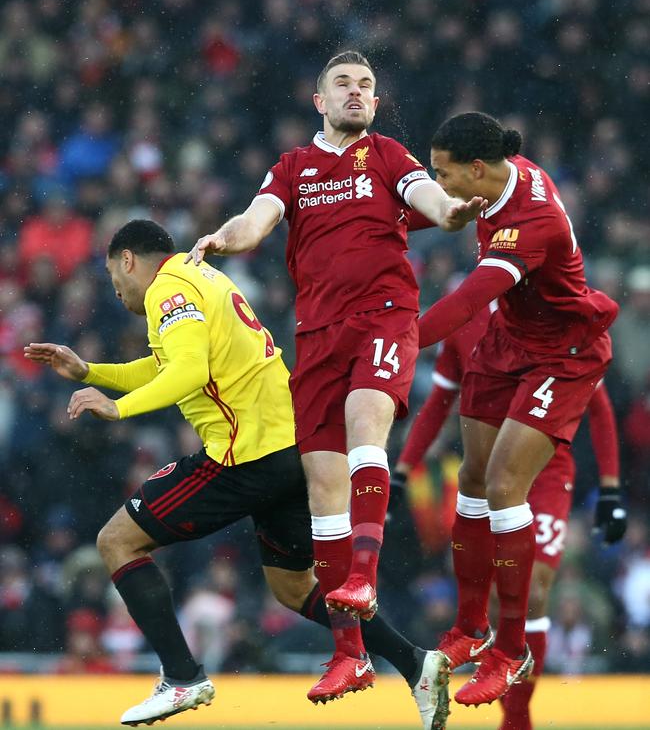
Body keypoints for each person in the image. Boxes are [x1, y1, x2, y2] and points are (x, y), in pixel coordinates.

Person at [25, 218, 452, 730]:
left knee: (116, 541)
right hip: (290, 449)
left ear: (128, 259)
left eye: (114, 276)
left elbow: (188, 373)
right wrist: (91, 372)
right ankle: (415, 664)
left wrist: (118, 409)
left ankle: (182, 676)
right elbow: (170, 365)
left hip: (242, 456)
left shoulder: (167, 291)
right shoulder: (199, 275)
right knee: (293, 589)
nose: (115, 291)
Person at [185, 51, 485, 702]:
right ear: (319, 100)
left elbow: (429, 197)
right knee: (321, 481)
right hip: (316, 336)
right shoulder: (292, 167)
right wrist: (224, 238)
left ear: (375, 103)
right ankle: (350, 653)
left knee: (362, 433)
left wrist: (454, 210)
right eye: (344, 84)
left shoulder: (387, 155)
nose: (357, 92)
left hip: (383, 314)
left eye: (367, 85)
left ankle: (365, 577)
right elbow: (256, 219)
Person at [414, 111, 619, 708]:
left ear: (476, 169)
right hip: (510, 340)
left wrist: (393, 340)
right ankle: (469, 629)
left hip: (564, 353)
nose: (439, 182)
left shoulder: (532, 222)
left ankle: (510, 650)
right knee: (473, 480)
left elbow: (466, 302)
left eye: (443, 173)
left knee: (506, 486)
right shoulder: (503, 177)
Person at [389, 302, 627, 730]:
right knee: (497, 594)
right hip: (486, 470)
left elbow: (600, 404)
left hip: (548, 472)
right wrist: (403, 472)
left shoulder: (556, 306)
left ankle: (517, 719)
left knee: (534, 588)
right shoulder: (468, 315)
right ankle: (492, 661)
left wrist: (610, 487)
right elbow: (439, 403)